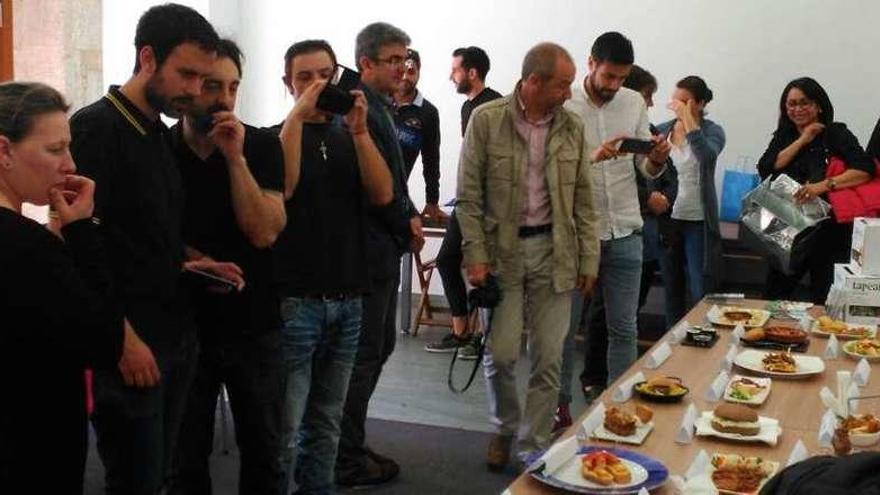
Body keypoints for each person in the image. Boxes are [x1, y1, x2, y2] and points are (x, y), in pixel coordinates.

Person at [68, 5, 230, 494]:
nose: (194, 90)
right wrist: (122, 339)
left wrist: (193, 259)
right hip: (131, 342)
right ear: (146, 58)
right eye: (186, 74)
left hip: (174, 333)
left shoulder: (158, 130)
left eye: (203, 77)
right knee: (133, 479)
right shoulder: (96, 128)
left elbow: (145, 230)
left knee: (157, 473)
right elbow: (83, 247)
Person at [456, 42, 599, 471]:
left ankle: (533, 446)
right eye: (562, 84)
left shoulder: (572, 128)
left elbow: (585, 203)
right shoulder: (486, 120)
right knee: (499, 354)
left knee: (549, 357)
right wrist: (475, 254)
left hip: (556, 254)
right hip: (502, 256)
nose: (569, 94)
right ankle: (503, 426)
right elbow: (467, 197)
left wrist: (589, 260)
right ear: (533, 81)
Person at [270, 38, 394, 494]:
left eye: (325, 74)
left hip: (348, 300)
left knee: (326, 425)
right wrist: (298, 116)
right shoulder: (275, 136)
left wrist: (361, 131)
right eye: (305, 77)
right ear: (288, 83)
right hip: (295, 305)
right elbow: (283, 186)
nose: (318, 84)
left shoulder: (350, 136)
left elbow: (382, 195)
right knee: (284, 431)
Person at [166, 39, 287, 495]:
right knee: (183, 460)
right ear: (189, 87)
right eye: (212, 85)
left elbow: (264, 232)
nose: (224, 98)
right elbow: (142, 235)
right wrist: (191, 260)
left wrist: (234, 157)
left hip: (253, 325)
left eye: (233, 87)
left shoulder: (260, 146)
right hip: (182, 326)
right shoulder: (160, 149)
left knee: (265, 454)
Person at [0, 81, 123, 494]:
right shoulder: (29, 249)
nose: (70, 164)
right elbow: (106, 343)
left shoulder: (35, 246)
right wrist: (81, 233)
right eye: (55, 150)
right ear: (4, 151)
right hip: (33, 447)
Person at [555, 65, 678, 431]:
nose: (615, 86)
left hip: (625, 227)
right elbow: (552, 166)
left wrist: (655, 158)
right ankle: (558, 408)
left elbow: (645, 167)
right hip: (579, 233)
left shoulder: (632, 102)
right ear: (591, 64)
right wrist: (594, 157)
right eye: (609, 77)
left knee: (624, 327)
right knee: (563, 329)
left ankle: (618, 406)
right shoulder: (566, 104)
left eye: (622, 79)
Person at [336, 22, 423, 488]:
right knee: (363, 356)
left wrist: (408, 212)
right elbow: (375, 189)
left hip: (382, 247)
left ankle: (349, 442)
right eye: (393, 59)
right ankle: (343, 456)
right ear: (366, 63)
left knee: (378, 349)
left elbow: (395, 179)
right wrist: (402, 216)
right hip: (366, 251)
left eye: (406, 58)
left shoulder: (380, 108)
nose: (403, 68)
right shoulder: (356, 112)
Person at [757, 77, 873, 303]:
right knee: (773, 297)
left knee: (826, 298)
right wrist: (803, 138)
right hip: (787, 227)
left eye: (805, 102)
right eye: (791, 104)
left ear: (819, 105)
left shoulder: (836, 134)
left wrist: (820, 187)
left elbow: (864, 169)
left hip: (830, 230)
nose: (798, 109)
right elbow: (766, 167)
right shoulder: (785, 136)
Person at [425, 45, 502, 357]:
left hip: (485, 204)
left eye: (455, 69)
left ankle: (479, 340)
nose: (450, 75)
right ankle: (463, 334)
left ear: (472, 73)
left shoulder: (494, 106)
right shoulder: (467, 108)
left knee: (481, 265)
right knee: (448, 260)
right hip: (468, 199)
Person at [655, 75, 725, 326]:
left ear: (701, 103)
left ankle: (703, 337)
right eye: (676, 100)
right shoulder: (662, 130)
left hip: (697, 220)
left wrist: (688, 121)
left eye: (685, 101)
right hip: (668, 219)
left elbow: (707, 157)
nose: (677, 106)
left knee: (699, 286)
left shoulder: (712, 131)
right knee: (672, 287)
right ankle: (671, 342)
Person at [393, 48, 442, 218]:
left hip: (395, 199)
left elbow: (431, 159)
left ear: (419, 72)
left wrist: (432, 201)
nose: (405, 77)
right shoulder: (377, 102)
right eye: (401, 71)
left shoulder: (428, 113)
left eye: (411, 71)